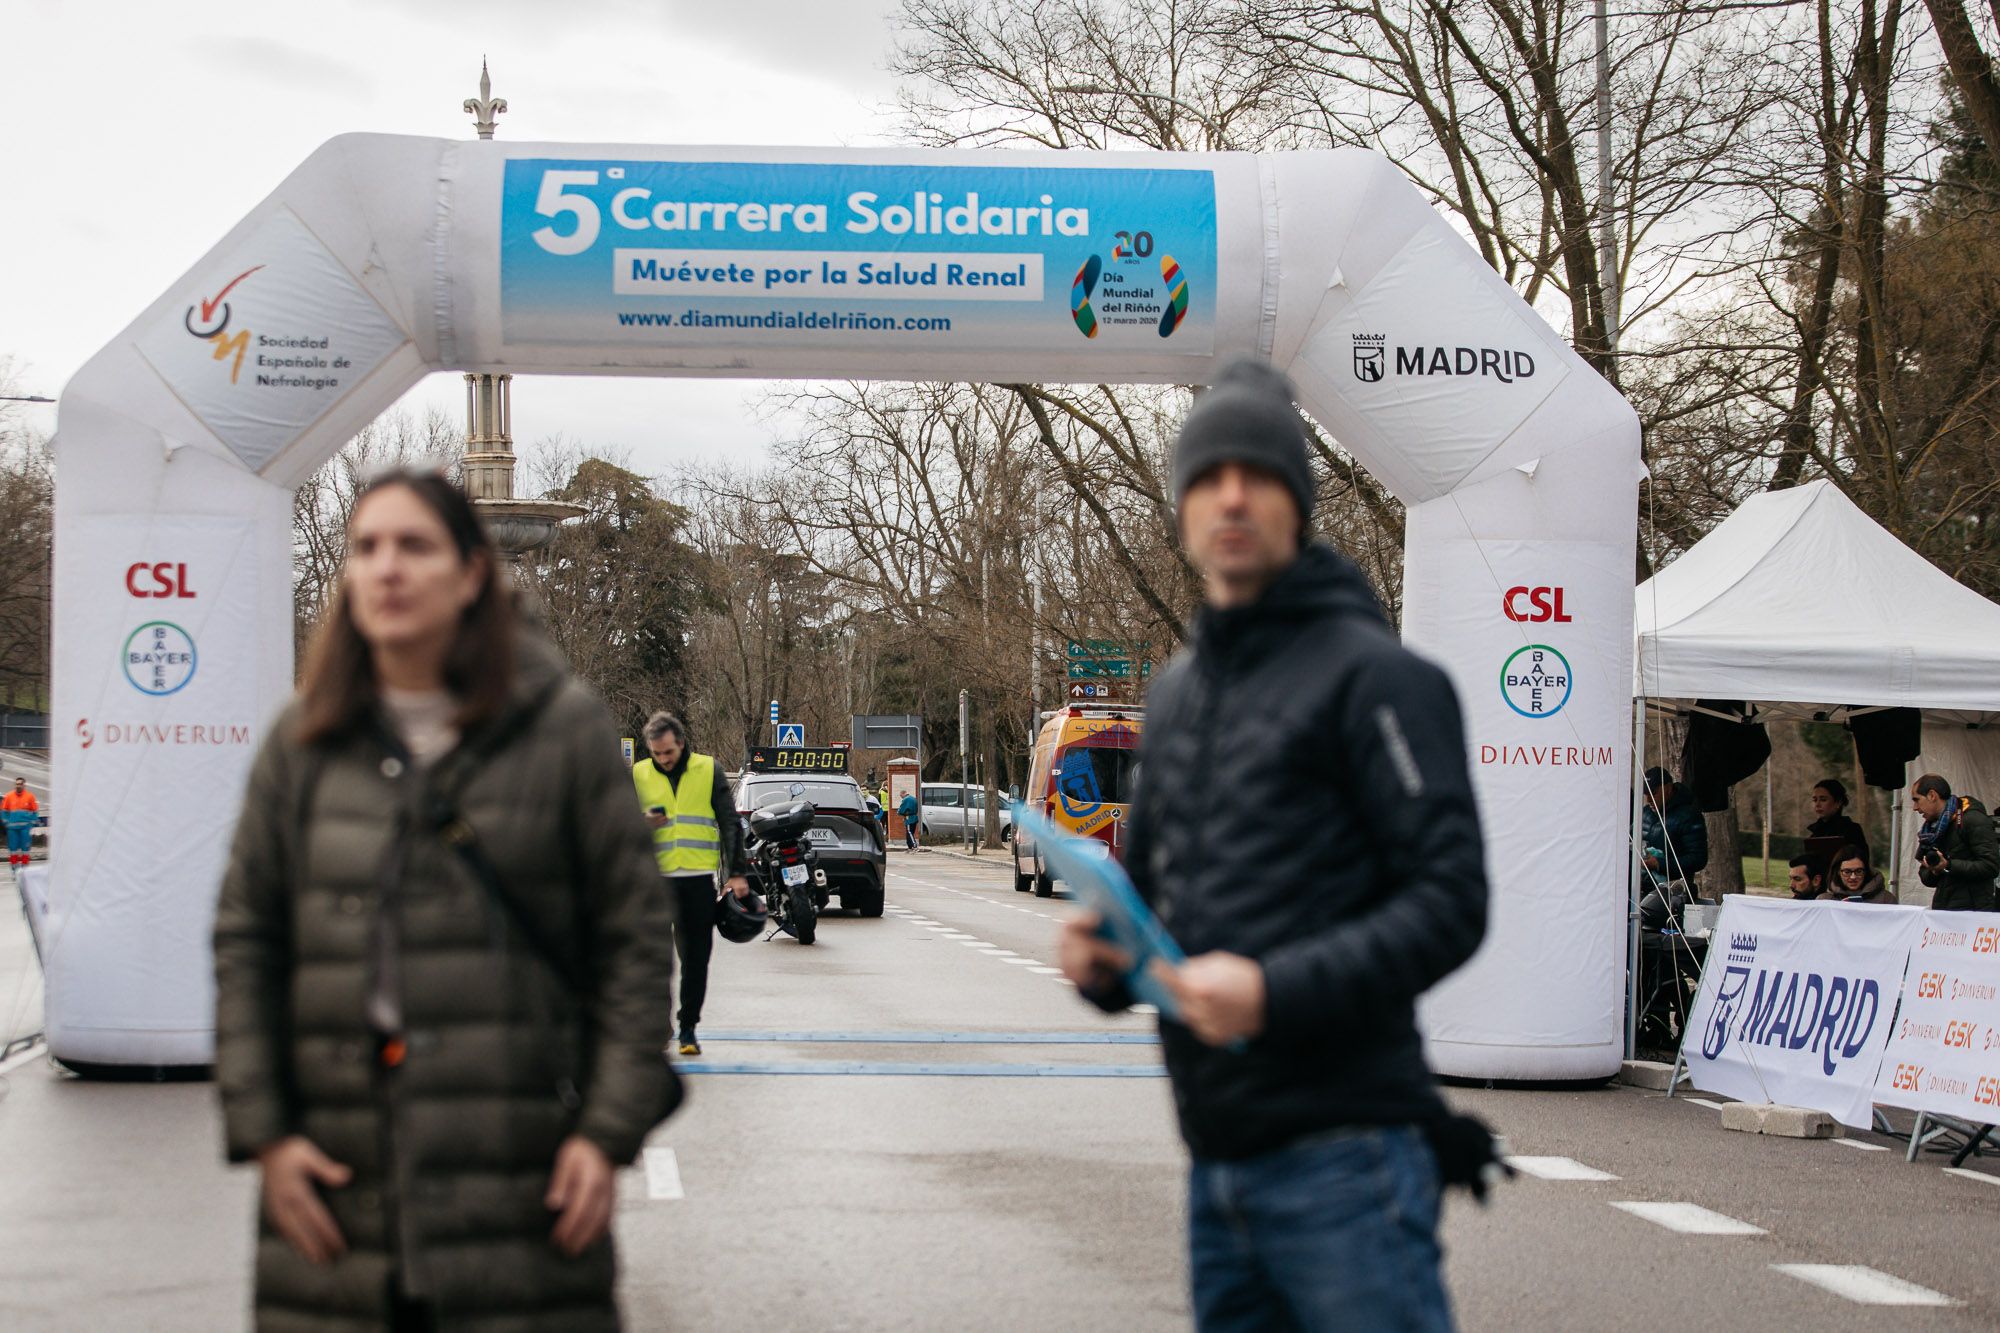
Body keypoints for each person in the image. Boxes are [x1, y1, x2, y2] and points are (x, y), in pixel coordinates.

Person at [1059, 357, 1490, 1333]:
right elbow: (1164, 907)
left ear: (1296, 500)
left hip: (1349, 1157)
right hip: (1218, 1164)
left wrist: (1270, 989)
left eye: (1257, 473)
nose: (1232, 495)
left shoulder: (1378, 680)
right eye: (1208, 477)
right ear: (1180, 507)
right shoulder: (1174, 695)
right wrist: (1105, 960)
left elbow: (1450, 901)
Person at [213, 470, 679, 1330]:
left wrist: (607, 1130)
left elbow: (634, 944)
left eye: (414, 545)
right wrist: (266, 1132)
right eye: (366, 547)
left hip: (521, 1179)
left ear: (472, 574)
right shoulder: (303, 740)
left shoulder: (562, 731)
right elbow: (248, 939)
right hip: (335, 1189)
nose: (386, 567)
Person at [633, 711, 750, 1058]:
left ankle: (687, 1027)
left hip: (697, 882)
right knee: (654, 962)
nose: (663, 760)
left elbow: (729, 823)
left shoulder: (707, 770)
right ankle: (660, 1024)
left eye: (668, 752)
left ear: (680, 744)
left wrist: (736, 872)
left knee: (695, 960)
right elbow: (618, 825)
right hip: (653, 884)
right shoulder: (638, 774)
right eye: (656, 754)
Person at [1911, 773, 1999, 911]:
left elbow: (1991, 866)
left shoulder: (1972, 819)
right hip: (1945, 908)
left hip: (1974, 911)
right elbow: (1926, 878)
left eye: (1917, 800)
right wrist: (1934, 870)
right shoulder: (1931, 830)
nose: (1914, 807)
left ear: (1932, 795)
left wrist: (1949, 865)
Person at [1641, 767, 1709, 894]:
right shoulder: (1645, 813)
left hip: (1673, 892)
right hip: (1640, 887)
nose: (1649, 800)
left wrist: (1659, 864)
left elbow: (1698, 858)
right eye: (1646, 795)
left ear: (1668, 788)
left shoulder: (1689, 815)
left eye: (1653, 793)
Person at [1807, 777, 1869, 869]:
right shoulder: (1815, 832)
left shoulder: (1852, 830)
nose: (1817, 804)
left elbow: (1861, 864)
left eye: (1823, 799)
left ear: (1838, 802)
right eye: (1815, 800)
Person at [2, 775, 37, 872]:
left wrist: (32, 823)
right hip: (12, 829)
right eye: (17, 784)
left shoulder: (30, 796)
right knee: (13, 851)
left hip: (25, 829)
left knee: (25, 850)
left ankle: (25, 870)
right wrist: (6, 822)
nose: (18, 786)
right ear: (15, 785)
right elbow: (4, 811)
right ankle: (14, 870)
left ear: (24, 785)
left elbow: (35, 812)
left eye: (20, 784)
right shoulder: (9, 796)